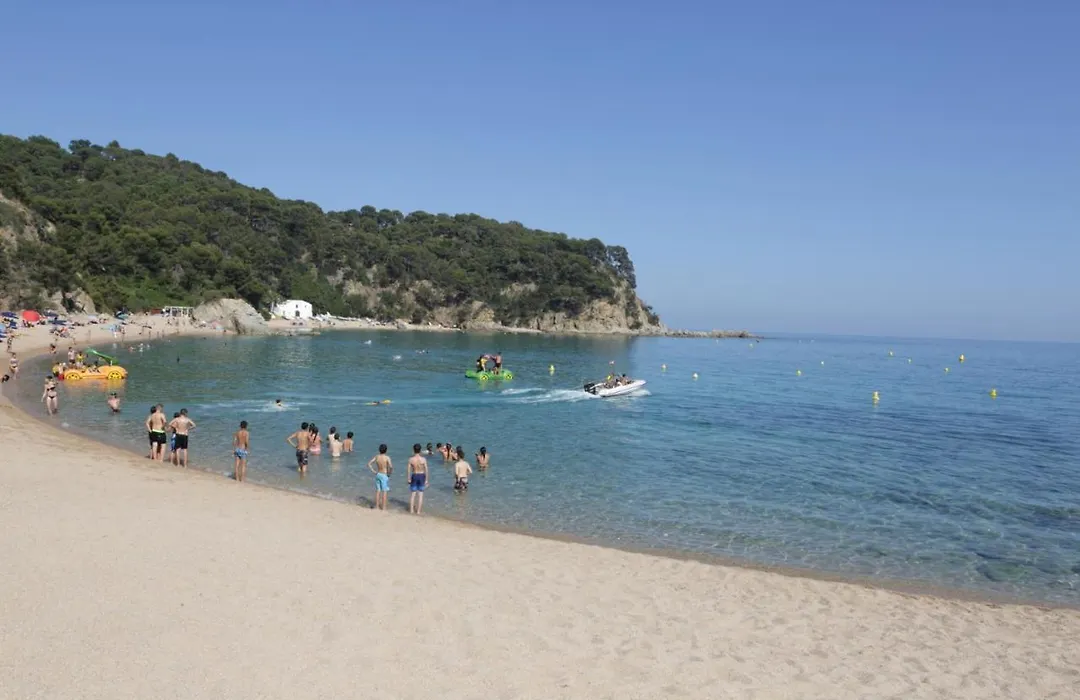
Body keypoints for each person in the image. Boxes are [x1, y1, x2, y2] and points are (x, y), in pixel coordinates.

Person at [368, 444, 393, 510]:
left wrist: (373, 471)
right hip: (384, 475)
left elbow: (369, 463)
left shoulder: (377, 456)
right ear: (386, 450)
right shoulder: (387, 458)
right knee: (384, 491)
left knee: (378, 491)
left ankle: (377, 506)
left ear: (379, 450)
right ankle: (383, 507)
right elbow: (391, 467)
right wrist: (389, 474)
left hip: (378, 474)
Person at [407, 443, 428, 514]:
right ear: (420, 450)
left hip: (414, 475)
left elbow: (408, 470)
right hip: (421, 475)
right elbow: (426, 469)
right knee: (420, 494)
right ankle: (418, 511)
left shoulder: (411, 459)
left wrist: (408, 478)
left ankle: (411, 510)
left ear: (413, 450)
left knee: (413, 494)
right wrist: (426, 479)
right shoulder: (423, 459)